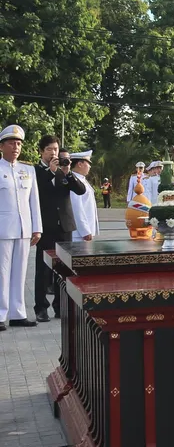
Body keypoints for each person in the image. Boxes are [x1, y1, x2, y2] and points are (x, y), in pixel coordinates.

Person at [33, 137, 86, 322]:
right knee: (43, 269)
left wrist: (67, 172)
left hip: (65, 226)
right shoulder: (36, 171)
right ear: (41, 151)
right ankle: (41, 308)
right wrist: (52, 172)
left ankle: (60, 306)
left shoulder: (64, 170)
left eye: (55, 149)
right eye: (49, 149)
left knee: (63, 269)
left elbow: (80, 190)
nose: (53, 153)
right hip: (46, 226)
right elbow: (40, 192)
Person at [0, 125, 42, 332]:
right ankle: (0, 314)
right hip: (3, 230)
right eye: (11, 143)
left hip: (24, 229)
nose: (16, 147)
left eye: (19, 144)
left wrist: (37, 228)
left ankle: (18, 314)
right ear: (2, 146)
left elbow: (34, 202)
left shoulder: (28, 170)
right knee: (2, 272)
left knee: (20, 272)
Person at [69, 151, 99, 243]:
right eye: (88, 163)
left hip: (83, 233)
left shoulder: (82, 180)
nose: (89, 166)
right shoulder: (74, 181)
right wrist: (85, 231)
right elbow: (76, 208)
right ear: (80, 164)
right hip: (79, 234)